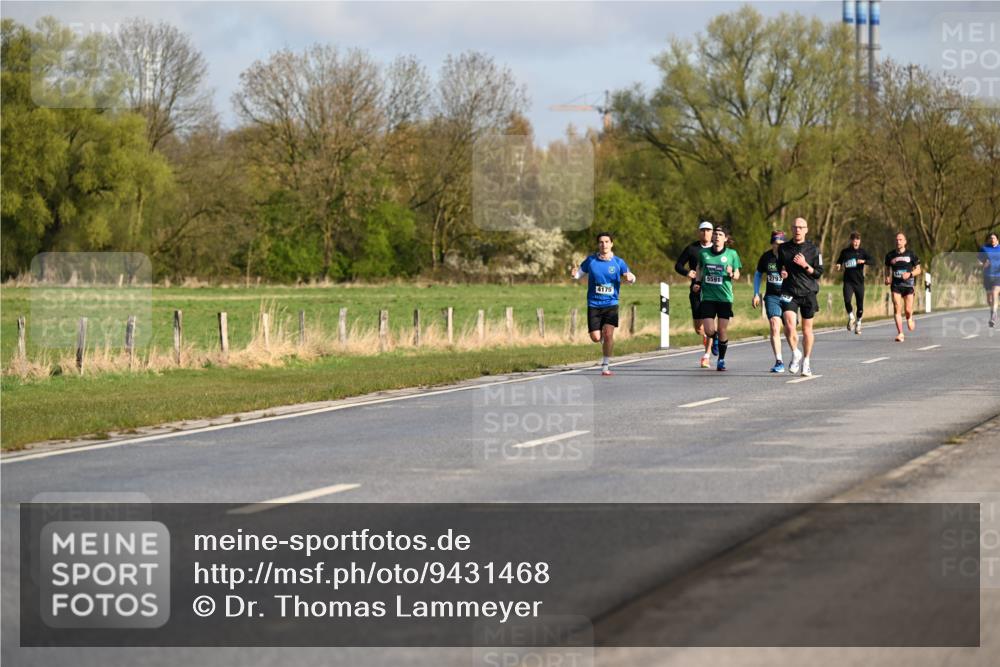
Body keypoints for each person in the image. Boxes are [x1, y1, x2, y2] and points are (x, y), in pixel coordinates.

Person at [571, 231, 636, 376]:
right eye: (601, 242)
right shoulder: (591, 261)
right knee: (595, 337)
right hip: (594, 304)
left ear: (611, 244)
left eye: (607, 242)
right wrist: (574, 274)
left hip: (611, 303)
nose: (604, 244)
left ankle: (605, 365)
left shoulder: (618, 262)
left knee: (608, 334)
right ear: (598, 244)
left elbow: (631, 277)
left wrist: (630, 277)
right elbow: (578, 274)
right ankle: (605, 344)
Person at [776, 217, 824, 377]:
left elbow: (818, 272)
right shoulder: (784, 249)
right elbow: (779, 267)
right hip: (789, 291)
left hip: (809, 292)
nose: (798, 230)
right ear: (792, 228)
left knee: (806, 329)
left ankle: (806, 362)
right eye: (795, 227)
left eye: (801, 227)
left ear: (806, 230)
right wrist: (782, 272)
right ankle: (795, 352)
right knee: (789, 324)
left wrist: (805, 264)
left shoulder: (814, 249)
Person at [693, 226, 741, 371]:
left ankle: (721, 359)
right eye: (715, 234)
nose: (717, 236)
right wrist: (697, 283)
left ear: (725, 238)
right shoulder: (704, 253)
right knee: (708, 330)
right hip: (708, 296)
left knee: (722, 330)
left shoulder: (732, 254)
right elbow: (699, 269)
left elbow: (738, 275)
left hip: (725, 298)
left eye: (720, 234)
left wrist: (731, 274)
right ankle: (713, 341)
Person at [675, 221, 715, 367]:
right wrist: (687, 272)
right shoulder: (692, 249)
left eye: (708, 231)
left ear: (712, 233)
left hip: (713, 291)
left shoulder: (717, 249)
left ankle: (706, 356)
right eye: (703, 231)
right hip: (696, 290)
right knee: (699, 328)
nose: (705, 233)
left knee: (710, 323)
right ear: (699, 232)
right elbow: (678, 265)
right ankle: (708, 336)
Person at [753, 230, 789, 373]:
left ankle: (795, 353)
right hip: (772, 296)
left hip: (788, 296)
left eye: (781, 244)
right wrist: (756, 293)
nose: (778, 246)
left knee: (789, 329)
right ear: (772, 244)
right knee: (775, 325)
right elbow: (757, 275)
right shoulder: (766, 257)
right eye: (775, 243)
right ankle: (779, 361)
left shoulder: (789, 257)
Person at [884, 232, 922, 342]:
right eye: (896, 240)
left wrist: (909, 274)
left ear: (905, 242)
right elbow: (887, 268)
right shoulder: (890, 255)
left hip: (908, 285)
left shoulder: (911, 254)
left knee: (908, 310)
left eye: (900, 239)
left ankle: (909, 318)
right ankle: (900, 333)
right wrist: (887, 277)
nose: (898, 241)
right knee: (897, 307)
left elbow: (919, 270)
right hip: (896, 285)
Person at [835, 232, 873, 334]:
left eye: (858, 240)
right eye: (854, 240)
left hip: (859, 282)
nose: (856, 242)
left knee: (860, 305)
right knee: (847, 300)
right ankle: (851, 317)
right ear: (851, 241)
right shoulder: (845, 252)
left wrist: (863, 261)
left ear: (860, 241)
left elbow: (872, 260)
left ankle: (859, 323)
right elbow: (839, 261)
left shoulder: (862, 252)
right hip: (848, 282)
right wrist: (838, 265)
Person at [978, 232, 1000, 328]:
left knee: (995, 293)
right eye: (990, 238)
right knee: (989, 299)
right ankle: (994, 313)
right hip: (987, 276)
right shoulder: (984, 249)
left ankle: (993, 316)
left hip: (998, 276)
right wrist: (983, 264)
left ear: (997, 239)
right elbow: (978, 261)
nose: (992, 240)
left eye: (994, 238)